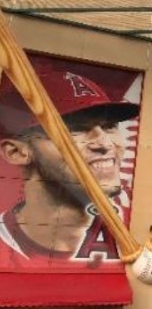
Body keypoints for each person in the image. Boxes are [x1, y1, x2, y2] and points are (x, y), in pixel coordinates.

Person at [0, 64, 140, 269]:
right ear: (17, 152)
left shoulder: (128, 239)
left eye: (109, 126)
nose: (105, 144)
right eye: (74, 129)